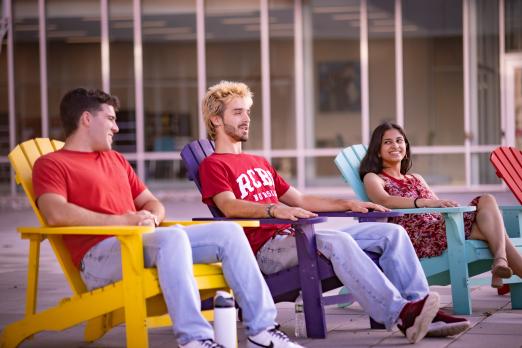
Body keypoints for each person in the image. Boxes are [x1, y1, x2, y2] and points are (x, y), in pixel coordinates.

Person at [197, 81, 470, 343]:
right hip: (267, 251)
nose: (246, 118)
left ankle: (423, 310)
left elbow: (300, 198)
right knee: (336, 240)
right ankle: (400, 314)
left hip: (296, 238)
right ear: (216, 120)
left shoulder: (258, 162)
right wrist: (273, 209)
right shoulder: (213, 165)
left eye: (247, 111)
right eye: (237, 112)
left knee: (392, 232)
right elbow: (228, 205)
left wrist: (348, 204)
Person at [32, 88, 304, 348]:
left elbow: (151, 203)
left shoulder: (115, 160)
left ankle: (262, 330)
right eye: (111, 119)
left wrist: (151, 217)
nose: (116, 127)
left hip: (142, 244)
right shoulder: (52, 164)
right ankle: (194, 338)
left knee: (228, 232)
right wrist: (124, 221)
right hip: (101, 257)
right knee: (171, 237)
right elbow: (55, 213)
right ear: (86, 118)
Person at [360, 122, 522, 289]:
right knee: (495, 232)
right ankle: (500, 260)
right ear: (377, 151)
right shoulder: (374, 178)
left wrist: (450, 209)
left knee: (487, 201)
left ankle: (500, 260)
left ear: (406, 147)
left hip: (439, 229)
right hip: (416, 238)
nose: (395, 145)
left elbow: (438, 210)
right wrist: (423, 202)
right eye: (387, 142)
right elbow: (384, 200)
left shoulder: (416, 178)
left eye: (399, 141)